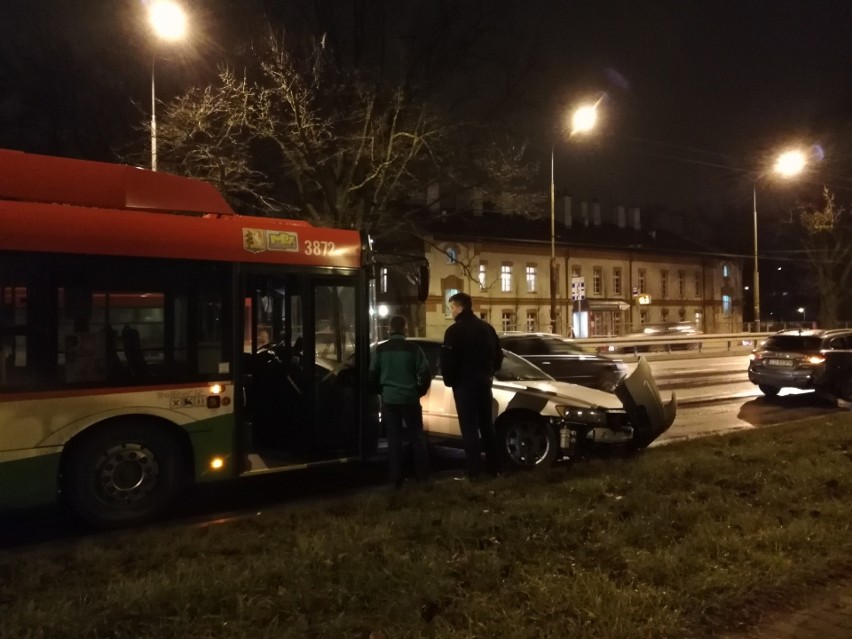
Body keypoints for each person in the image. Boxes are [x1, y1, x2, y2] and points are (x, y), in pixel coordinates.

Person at [440, 292, 504, 478]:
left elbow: (447, 360)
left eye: (451, 308)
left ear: (460, 308)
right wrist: (489, 373)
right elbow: (498, 354)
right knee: (486, 426)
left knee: (469, 428)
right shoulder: (487, 329)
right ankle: (494, 467)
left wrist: (450, 380)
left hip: (464, 386)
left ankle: (474, 470)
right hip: (484, 383)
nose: (451, 311)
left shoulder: (453, 331)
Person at [369, 315, 432, 489]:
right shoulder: (414, 349)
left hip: (389, 399)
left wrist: (380, 390)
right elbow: (425, 373)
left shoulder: (381, 350)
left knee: (394, 439)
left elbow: (373, 373)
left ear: (390, 329)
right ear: (405, 329)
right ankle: (422, 476)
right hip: (410, 398)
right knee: (417, 437)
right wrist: (420, 390)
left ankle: (396, 478)